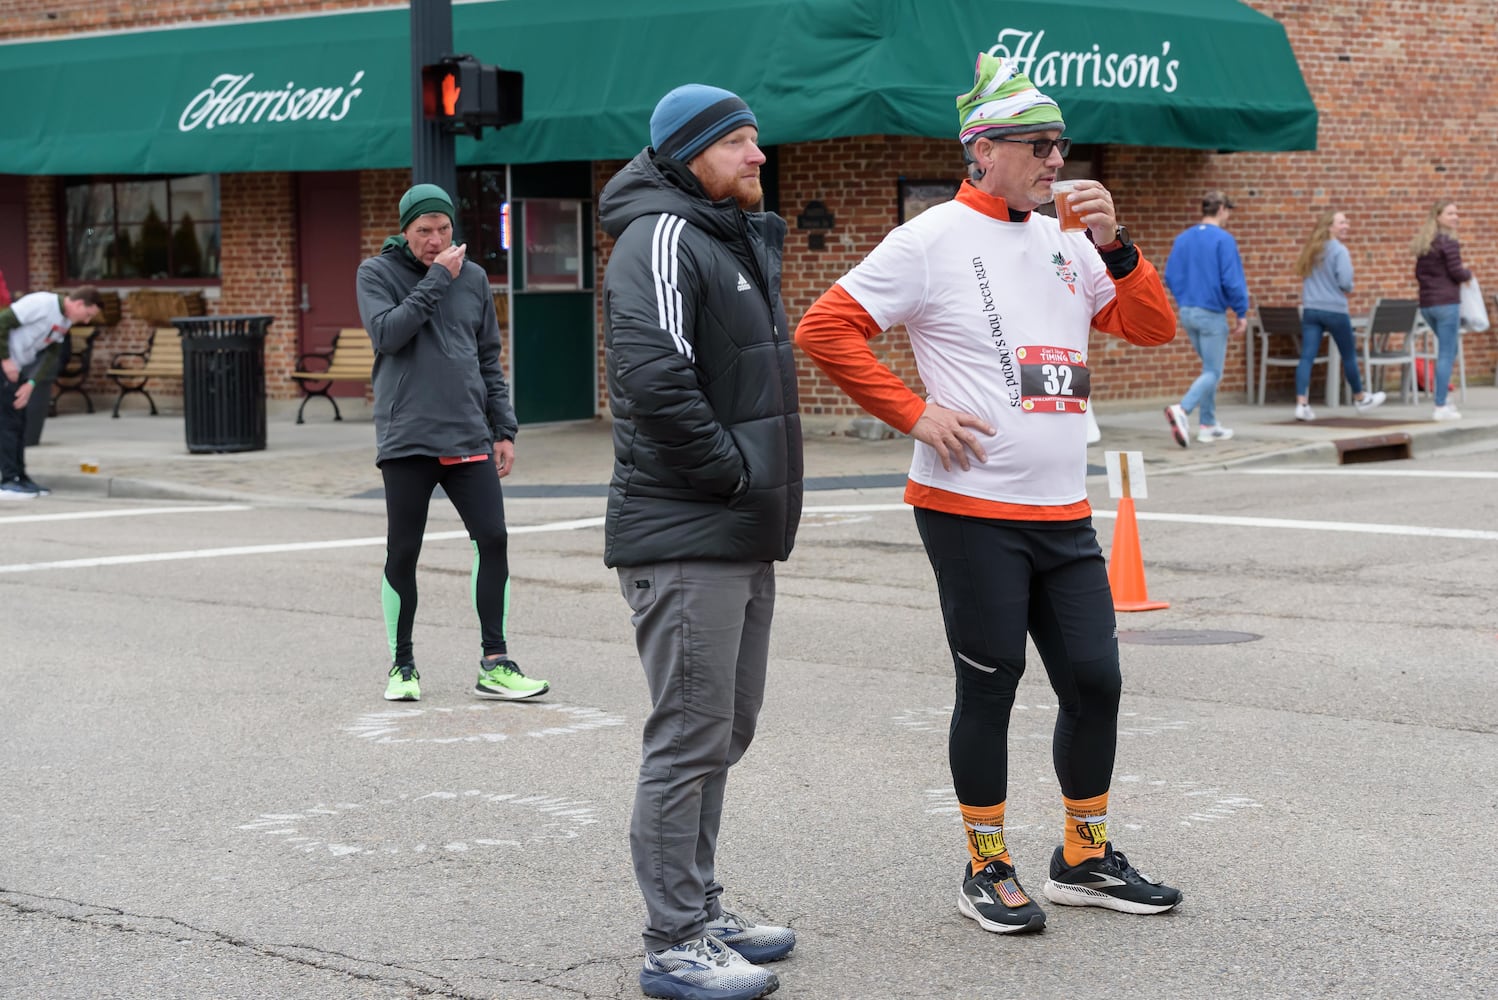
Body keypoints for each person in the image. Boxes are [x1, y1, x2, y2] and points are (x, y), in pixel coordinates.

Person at [796, 53, 1182, 937]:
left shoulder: (1067, 241)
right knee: (992, 682)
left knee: (1096, 678)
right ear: (981, 149)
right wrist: (914, 411)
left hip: (1063, 510)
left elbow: (1152, 329)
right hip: (969, 511)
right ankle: (986, 866)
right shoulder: (929, 239)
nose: (1056, 160)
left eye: (1061, 144)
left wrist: (1116, 244)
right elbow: (827, 328)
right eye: (1038, 145)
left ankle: (1083, 857)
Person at [600, 83, 803, 1000]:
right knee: (688, 738)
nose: (760, 155)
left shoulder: (724, 235)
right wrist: (731, 475)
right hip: (689, 530)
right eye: (741, 142)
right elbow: (651, 376)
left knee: (726, 728)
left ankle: (702, 905)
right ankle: (674, 941)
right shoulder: (664, 235)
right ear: (692, 152)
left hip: (735, 531)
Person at [355, 183, 549, 704]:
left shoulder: (477, 279)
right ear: (405, 231)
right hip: (408, 437)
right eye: (424, 231)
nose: (436, 238)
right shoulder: (376, 274)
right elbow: (389, 334)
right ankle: (402, 665)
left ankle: (496, 662)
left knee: (494, 539)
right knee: (405, 551)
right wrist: (439, 277)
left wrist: (503, 428)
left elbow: (489, 357)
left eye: (443, 229)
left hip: (468, 433)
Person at [1163, 190, 1250, 446]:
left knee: (1209, 370)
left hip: (1188, 311)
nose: (1228, 216)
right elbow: (1232, 280)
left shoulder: (1183, 239)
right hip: (1211, 313)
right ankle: (1183, 409)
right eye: (1228, 210)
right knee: (1213, 371)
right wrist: (1241, 312)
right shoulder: (1223, 240)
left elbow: (1170, 275)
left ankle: (1208, 424)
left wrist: (1185, 299)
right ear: (1221, 208)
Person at [0, 286, 101, 499]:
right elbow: (2, 322)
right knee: (8, 422)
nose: (86, 321)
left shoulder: (64, 322)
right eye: (88, 314)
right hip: (5, 364)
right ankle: (7, 480)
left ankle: (19, 476)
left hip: (18, 370)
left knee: (20, 421)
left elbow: (50, 352)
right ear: (79, 304)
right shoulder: (41, 304)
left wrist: (32, 383)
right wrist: (6, 360)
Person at [1293, 211, 1384, 421]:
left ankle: (1301, 404)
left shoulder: (1311, 250)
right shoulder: (1340, 251)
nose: (1347, 225)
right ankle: (1360, 398)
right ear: (1329, 227)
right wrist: (1349, 286)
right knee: (1349, 354)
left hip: (1311, 309)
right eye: (1342, 222)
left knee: (1307, 356)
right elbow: (1345, 282)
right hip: (1334, 308)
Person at [1411, 200, 1470, 421]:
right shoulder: (1448, 242)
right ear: (1438, 216)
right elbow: (1456, 272)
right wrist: (1468, 274)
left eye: (1457, 212)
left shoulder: (1426, 244)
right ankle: (1440, 405)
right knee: (1446, 353)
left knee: (1449, 350)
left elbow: (1419, 274)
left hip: (1427, 305)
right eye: (1450, 213)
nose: (1456, 216)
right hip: (1447, 303)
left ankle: (1444, 399)